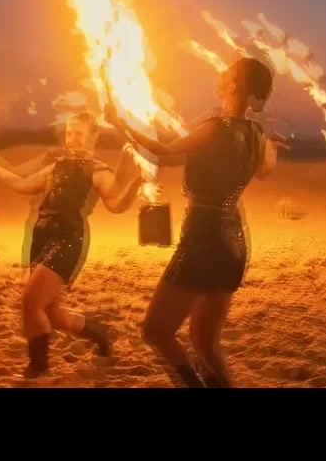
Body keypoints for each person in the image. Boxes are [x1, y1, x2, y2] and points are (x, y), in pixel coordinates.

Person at [106, 57, 288, 388]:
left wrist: (119, 122)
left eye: (229, 72)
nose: (222, 73)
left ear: (235, 85)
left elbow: (161, 151)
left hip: (203, 237)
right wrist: (271, 148)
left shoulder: (214, 127)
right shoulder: (256, 133)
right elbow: (264, 171)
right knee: (205, 343)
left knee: (156, 331)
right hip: (233, 243)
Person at [0, 111, 142, 379]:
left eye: (79, 134)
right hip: (42, 237)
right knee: (51, 312)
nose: (72, 139)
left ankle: (38, 369)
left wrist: (136, 183)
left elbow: (117, 204)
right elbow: (21, 183)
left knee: (31, 302)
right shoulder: (58, 165)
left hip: (68, 239)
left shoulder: (97, 169)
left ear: (94, 136)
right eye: (69, 133)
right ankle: (99, 333)